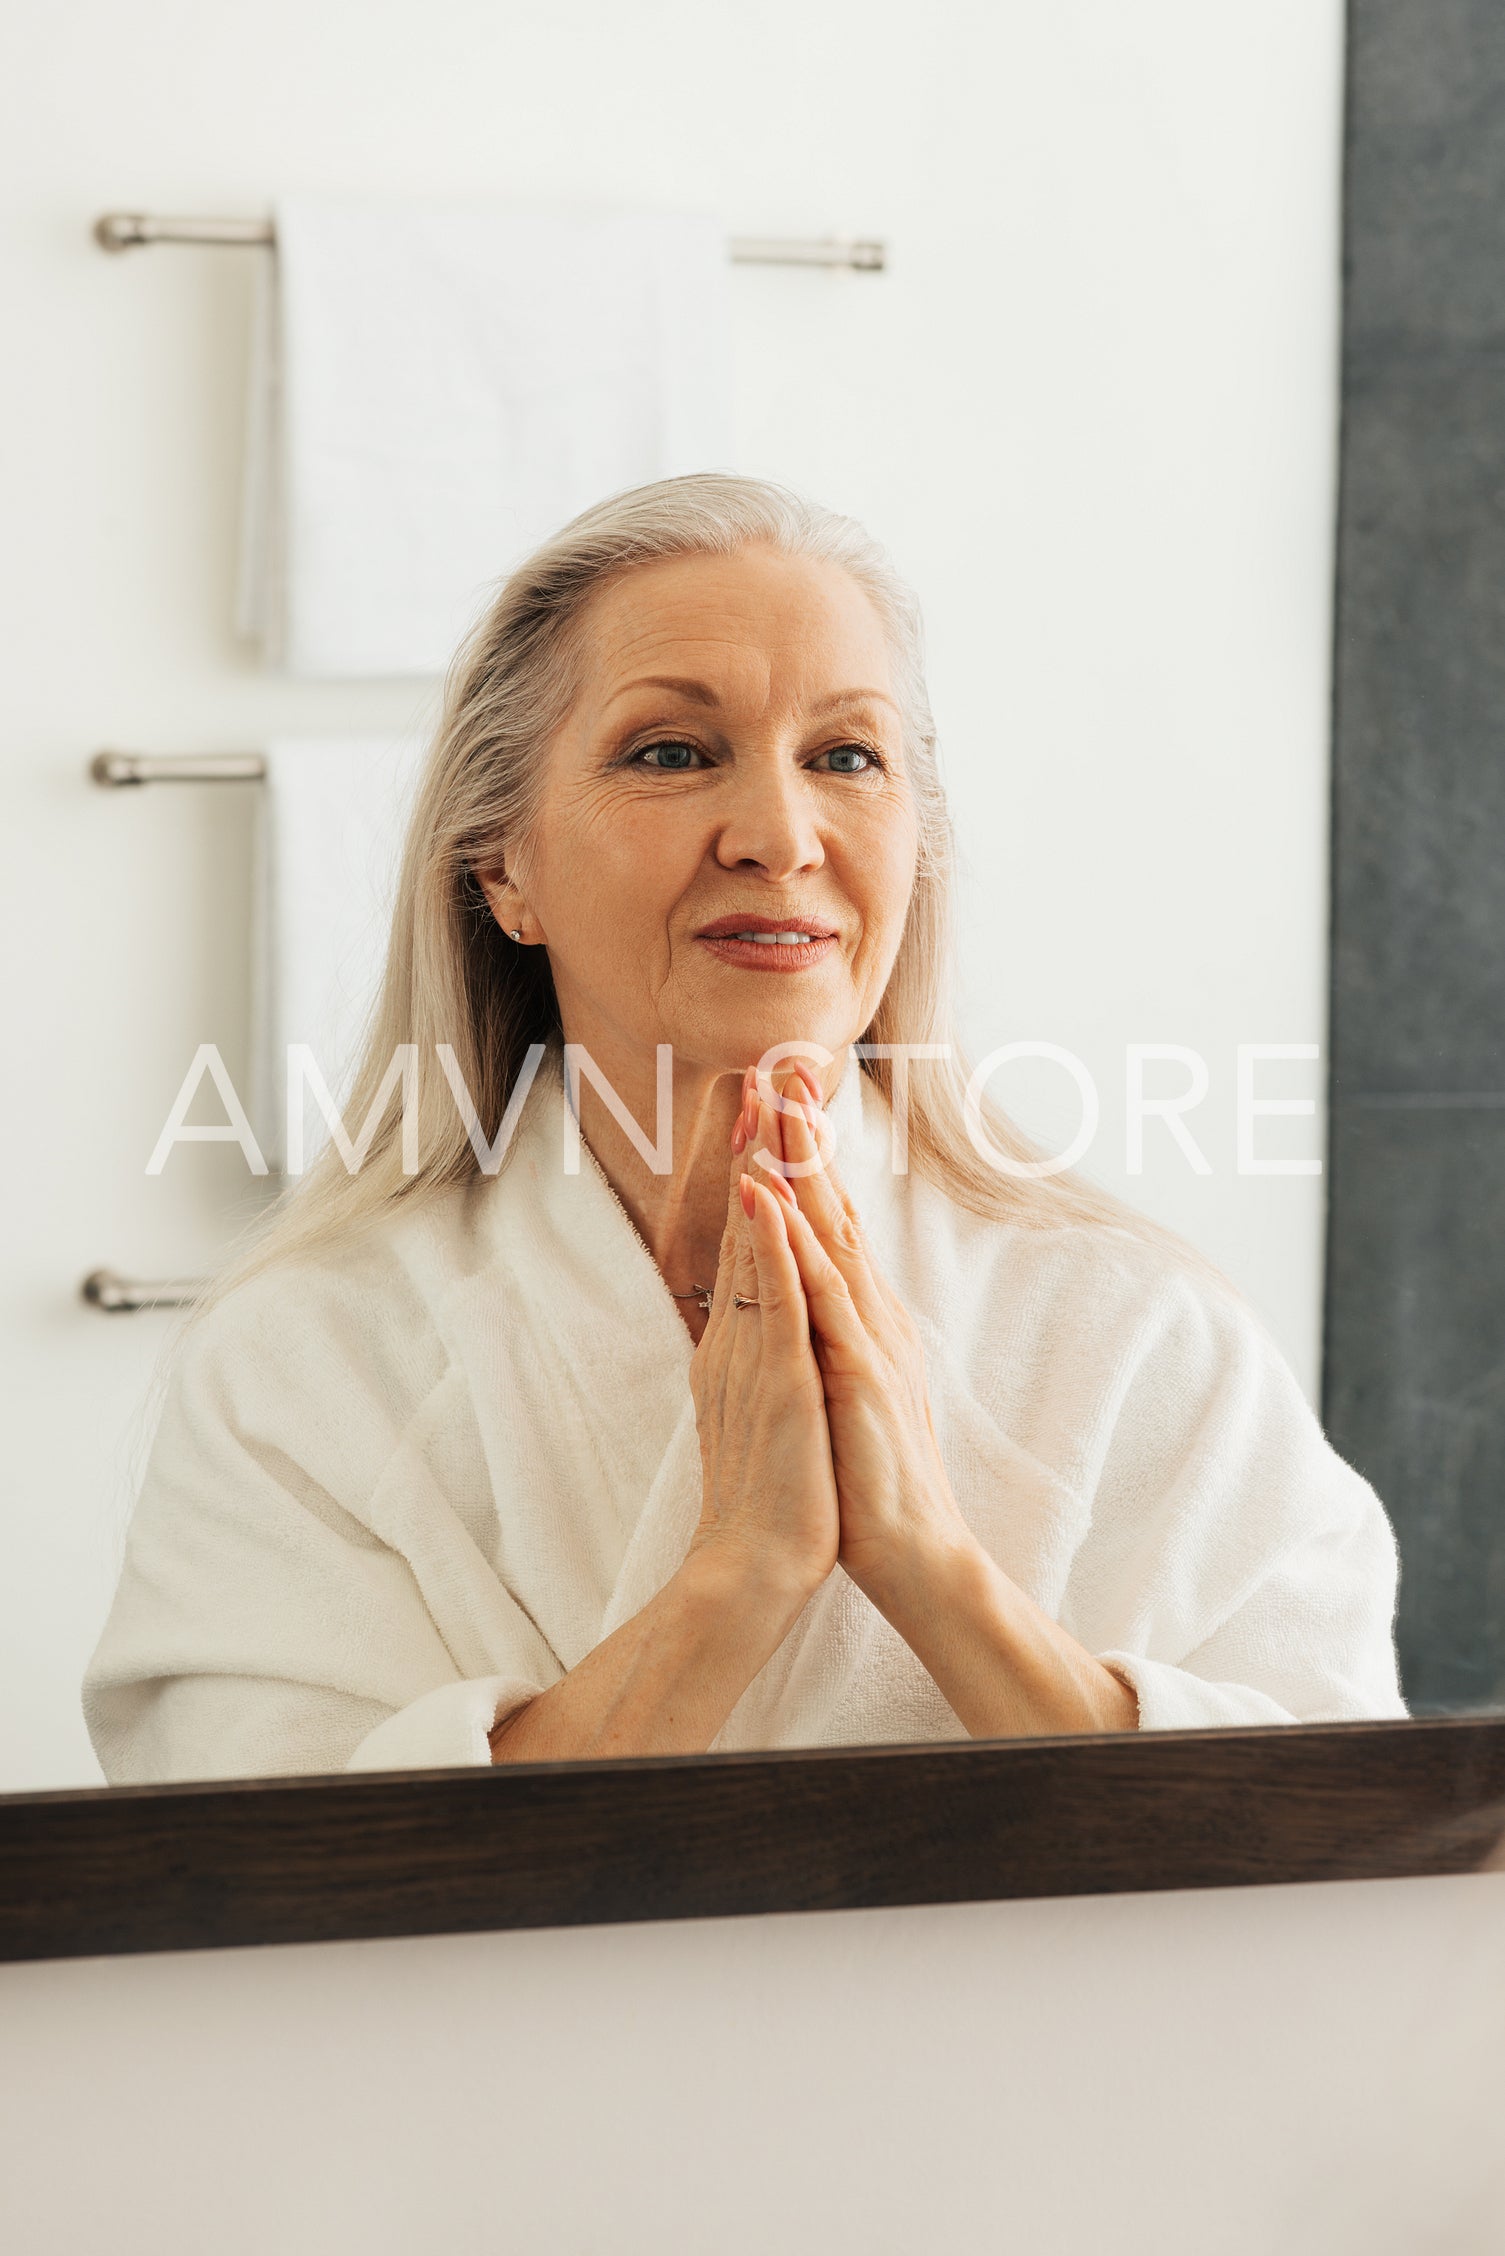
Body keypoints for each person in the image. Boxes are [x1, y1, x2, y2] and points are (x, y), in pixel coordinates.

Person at [83, 473, 1405, 1783]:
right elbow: (255, 1899)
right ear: (504, 866)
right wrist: (734, 1581)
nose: (778, 834)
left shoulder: (1135, 1334)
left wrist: (930, 1567)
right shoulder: (305, 1359)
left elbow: (1343, 1847)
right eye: (670, 753)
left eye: (845, 757)